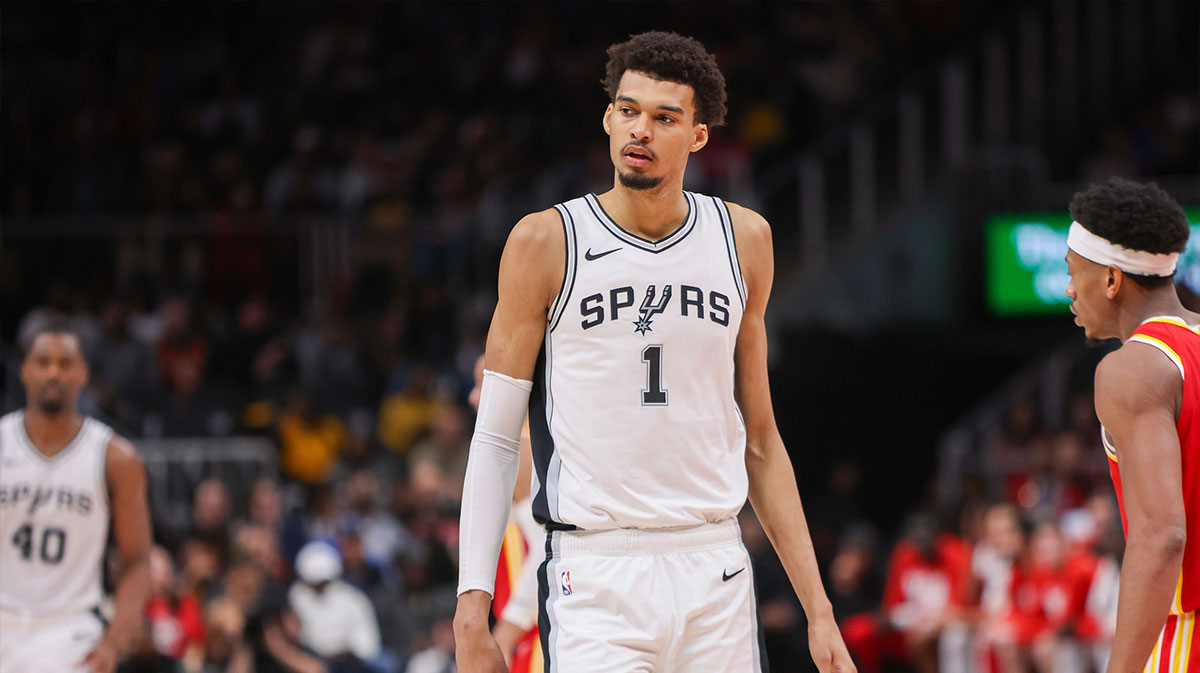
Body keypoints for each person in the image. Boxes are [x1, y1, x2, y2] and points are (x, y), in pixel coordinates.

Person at [453, 31, 854, 672]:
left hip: (715, 565)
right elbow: (496, 438)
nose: (641, 129)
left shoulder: (745, 240)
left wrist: (819, 611)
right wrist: (472, 609)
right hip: (594, 572)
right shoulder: (545, 241)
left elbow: (761, 440)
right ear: (609, 117)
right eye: (629, 110)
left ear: (698, 135)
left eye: (665, 117)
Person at [1063, 177, 1199, 671]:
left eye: (1075, 272)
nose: (1069, 289)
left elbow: (1163, 536)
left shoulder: (1132, 368)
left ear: (1112, 281)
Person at [0, 327, 152, 673]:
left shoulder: (116, 458)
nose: (54, 372)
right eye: (43, 362)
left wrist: (113, 645)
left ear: (83, 373)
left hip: (69, 631)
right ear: (25, 369)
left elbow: (138, 561)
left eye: (65, 363)